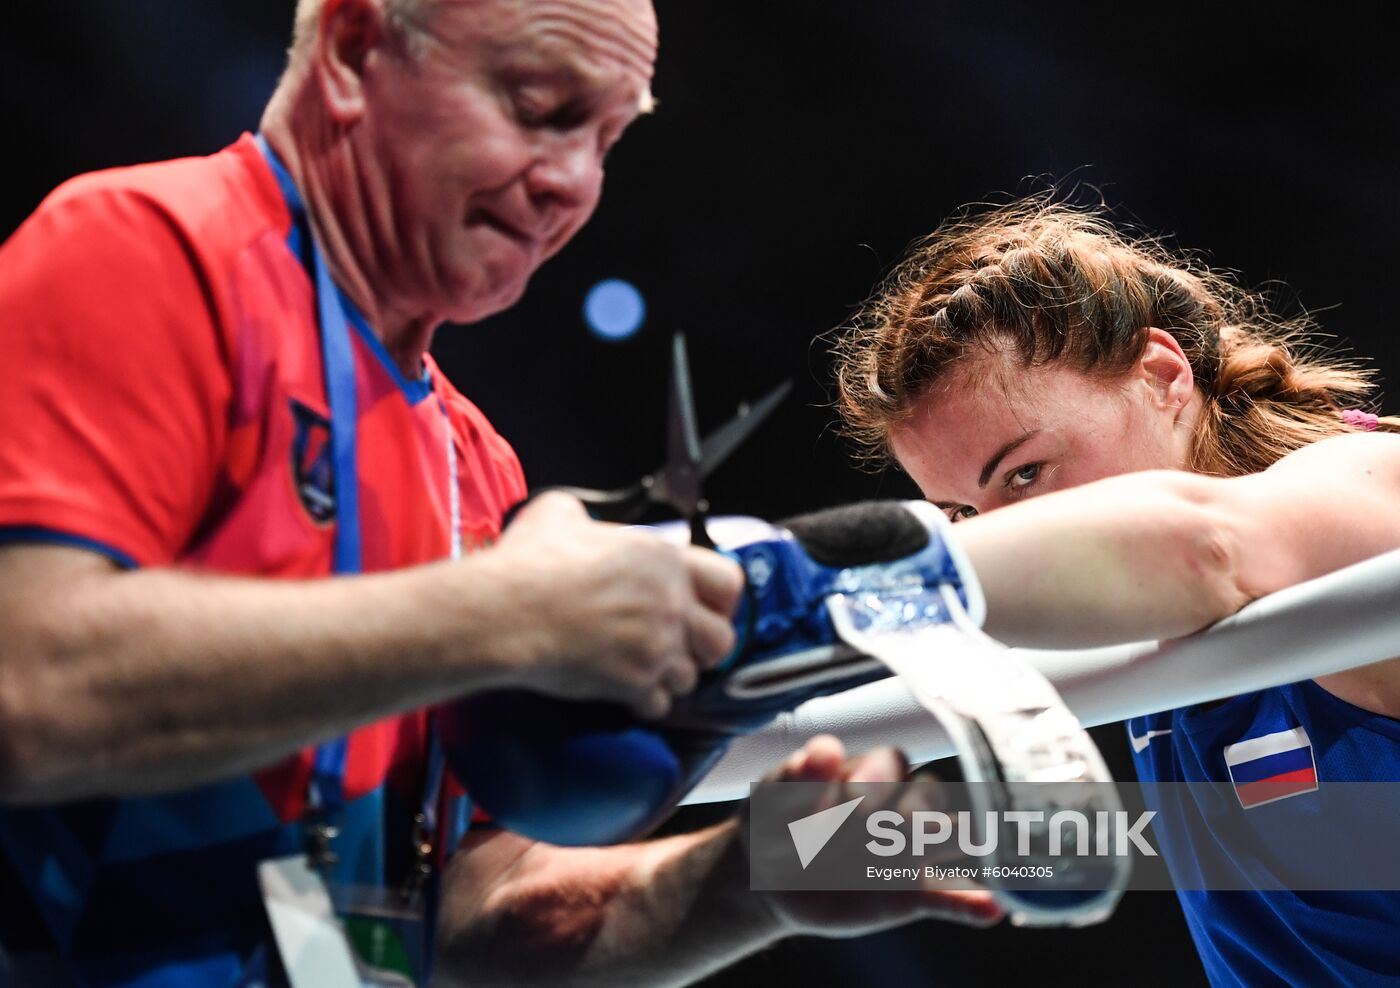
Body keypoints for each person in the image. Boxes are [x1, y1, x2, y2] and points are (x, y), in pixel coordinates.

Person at [0, 0, 1001, 983]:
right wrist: (504, 612)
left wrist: (757, 877)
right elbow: (27, 690)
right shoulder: (146, 249)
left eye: (606, 136)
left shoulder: (471, 460)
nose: (571, 181)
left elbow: (470, 913)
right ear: (353, 49)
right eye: (536, 107)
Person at [832, 198, 1400, 986]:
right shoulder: (1132, 622)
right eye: (961, 512)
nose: (998, 534)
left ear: (1164, 377)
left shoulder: (1371, 480)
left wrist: (827, 582)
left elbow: (1206, 544)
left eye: (1025, 473)